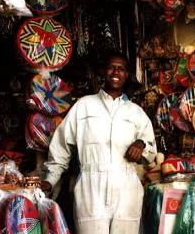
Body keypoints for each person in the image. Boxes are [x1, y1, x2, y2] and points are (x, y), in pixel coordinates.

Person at [42, 52, 157, 234]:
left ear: (127, 75)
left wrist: (141, 144)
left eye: (121, 69)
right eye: (111, 67)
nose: (115, 72)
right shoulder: (83, 106)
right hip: (90, 187)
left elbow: (151, 151)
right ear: (103, 72)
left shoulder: (136, 112)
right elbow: (61, 146)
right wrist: (50, 180)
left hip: (126, 187)